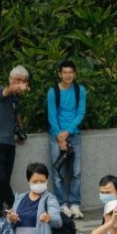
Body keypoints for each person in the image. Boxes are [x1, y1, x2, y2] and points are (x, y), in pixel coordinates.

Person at [0, 66, 31, 211]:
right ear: (13, 80)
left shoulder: (16, 99)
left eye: (24, 82)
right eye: (21, 82)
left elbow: (16, 117)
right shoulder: (2, 92)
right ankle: (14, 204)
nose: (23, 86)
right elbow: (8, 90)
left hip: (9, 142)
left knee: (4, 181)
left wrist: (20, 132)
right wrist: (15, 85)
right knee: (2, 178)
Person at [47, 59, 87, 220]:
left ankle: (75, 204)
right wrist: (60, 137)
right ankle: (62, 204)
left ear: (75, 74)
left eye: (70, 72)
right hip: (56, 136)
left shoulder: (80, 90)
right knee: (58, 172)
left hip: (74, 135)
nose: (68, 75)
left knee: (76, 172)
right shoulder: (53, 92)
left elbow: (80, 113)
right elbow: (52, 115)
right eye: (64, 72)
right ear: (60, 73)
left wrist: (68, 132)